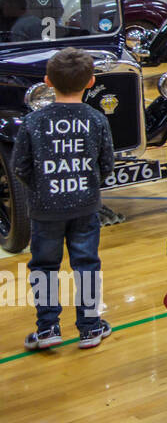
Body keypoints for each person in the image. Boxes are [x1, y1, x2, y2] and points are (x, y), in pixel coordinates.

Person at [15, 48, 115, 350]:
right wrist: (86, 185)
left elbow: (21, 166)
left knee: (44, 266)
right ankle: (89, 328)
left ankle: (47, 329)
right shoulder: (96, 119)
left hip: (45, 210)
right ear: (91, 82)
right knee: (86, 264)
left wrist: (43, 187)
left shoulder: (33, 122)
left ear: (47, 81)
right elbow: (106, 164)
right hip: (85, 207)